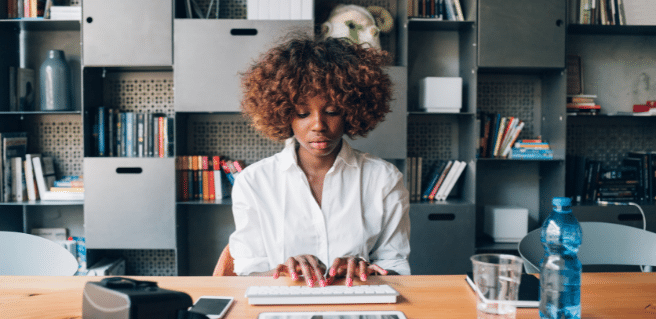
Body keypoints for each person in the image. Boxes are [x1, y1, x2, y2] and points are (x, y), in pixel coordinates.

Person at [228, 33, 410, 288]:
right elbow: (247, 273)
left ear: (352, 110)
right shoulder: (254, 182)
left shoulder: (384, 179)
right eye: (303, 113)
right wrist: (281, 270)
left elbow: (398, 266)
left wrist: (368, 270)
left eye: (332, 111)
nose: (318, 125)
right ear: (283, 113)